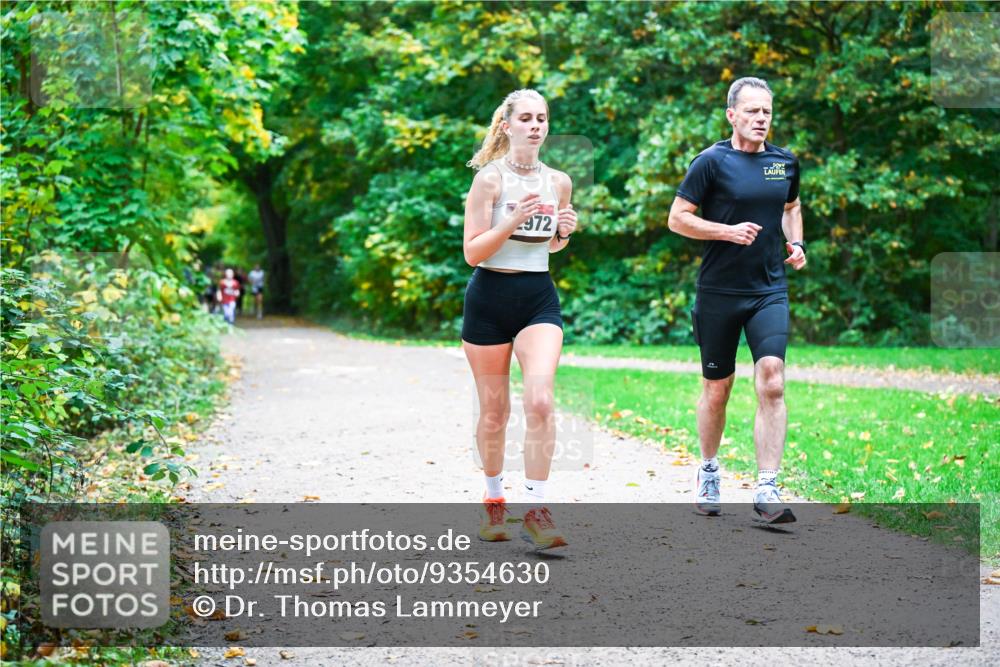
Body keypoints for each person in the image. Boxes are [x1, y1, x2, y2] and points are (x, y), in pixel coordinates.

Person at [667, 76, 807, 524]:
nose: (760, 118)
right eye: (751, 111)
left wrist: (798, 244)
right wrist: (726, 231)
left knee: (772, 379)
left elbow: (791, 207)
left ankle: (767, 486)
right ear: (732, 115)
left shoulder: (784, 163)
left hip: (768, 289)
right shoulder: (710, 162)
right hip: (718, 293)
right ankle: (708, 471)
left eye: (766, 111)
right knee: (717, 389)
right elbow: (677, 219)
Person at [462, 89, 577, 549]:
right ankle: (494, 501)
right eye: (526, 118)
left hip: (537, 299)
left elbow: (549, 246)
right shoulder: (489, 181)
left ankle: (537, 508)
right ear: (506, 126)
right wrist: (511, 220)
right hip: (488, 299)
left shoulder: (560, 181)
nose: (536, 125)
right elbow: (473, 251)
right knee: (495, 412)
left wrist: (564, 233)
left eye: (542, 118)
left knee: (541, 401)